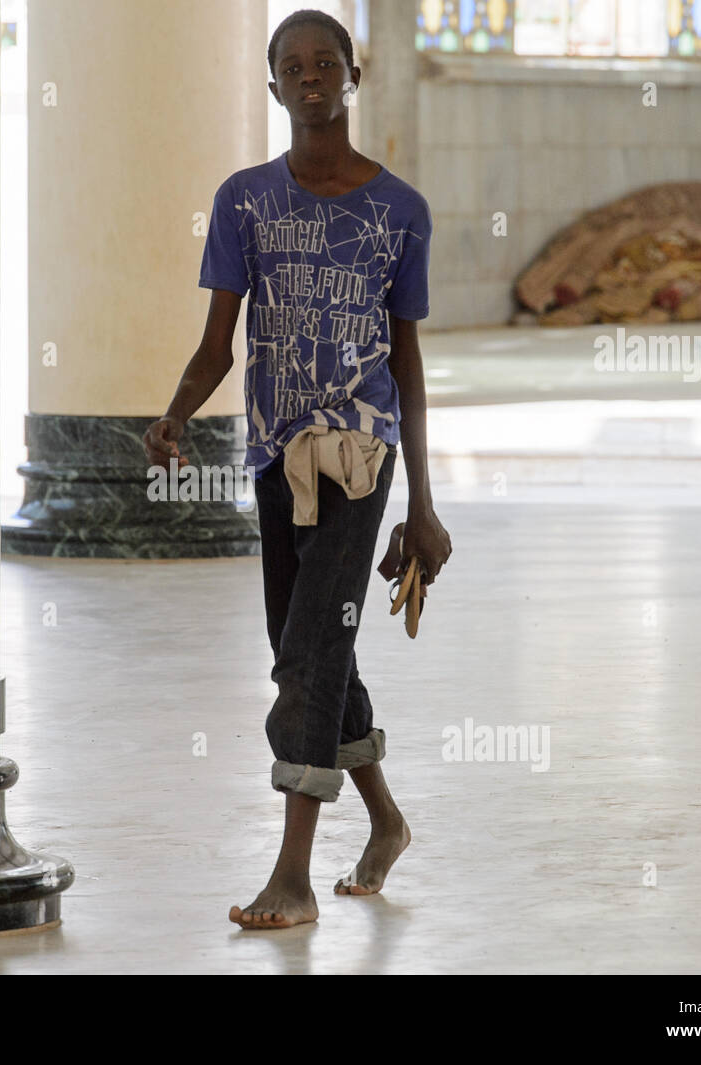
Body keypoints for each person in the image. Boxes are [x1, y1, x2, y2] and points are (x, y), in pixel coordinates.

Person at [142, 8, 452, 930]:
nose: (310, 76)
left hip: (362, 460)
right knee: (312, 645)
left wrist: (424, 503)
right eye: (292, 64)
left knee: (308, 655)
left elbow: (407, 364)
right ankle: (387, 820)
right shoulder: (241, 200)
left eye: (328, 62)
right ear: (271, 84)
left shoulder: (400, 212)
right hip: (278, 460)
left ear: (353, 77)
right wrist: (172, 414)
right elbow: (217, 348)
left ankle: (293, 873)